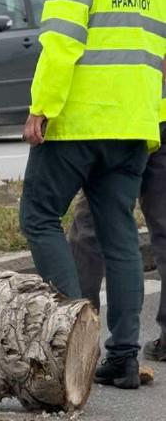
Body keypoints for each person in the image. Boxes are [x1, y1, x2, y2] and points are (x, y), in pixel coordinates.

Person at [19, 0, 166, 389]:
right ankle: (123, 357)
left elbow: (61, 40)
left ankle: (71, 337)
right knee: (119, 236)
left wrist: (42, 106)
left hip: (79, 120)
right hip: (134, 124)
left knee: (38, 217)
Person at [68, 104, 166, 362]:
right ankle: (124, 351)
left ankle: (78, 341)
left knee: (92, 229)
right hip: (157, 118)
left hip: (126, 122)